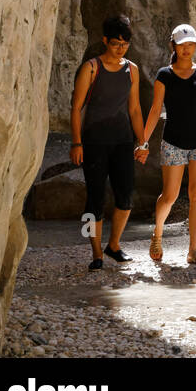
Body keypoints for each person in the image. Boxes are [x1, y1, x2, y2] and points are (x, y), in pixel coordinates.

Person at [139, 23, 196, 265]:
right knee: (169, 195)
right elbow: (155, 110)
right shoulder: (164, 75)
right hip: (173, 141)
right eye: (181, 45)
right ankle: (157, 233)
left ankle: (193, 250)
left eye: (190, 44)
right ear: (173, 46)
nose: (186, 49)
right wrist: (143, 142)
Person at [70, 14, 146, 270]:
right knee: (95, 198)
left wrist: (142, 142)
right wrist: (77, 143)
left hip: (122, 140)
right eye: (115, 43)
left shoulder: (132, 70)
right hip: (94, 142)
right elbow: (76, 107)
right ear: (105, 41)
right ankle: (95, 253)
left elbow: (135, 109)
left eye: (125, 43)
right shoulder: (91, 68)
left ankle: (113, 246)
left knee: (125, 196)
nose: (120, 48)